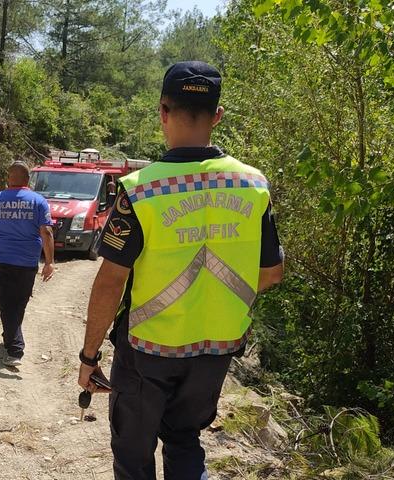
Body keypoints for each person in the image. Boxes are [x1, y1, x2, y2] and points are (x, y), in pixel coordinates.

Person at [77, 61, 285, 480]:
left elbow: (110, 283)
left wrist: (89, 356)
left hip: (147, 350)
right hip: (215, 348)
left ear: (163, 112)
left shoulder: (141, 189)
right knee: (185, 441)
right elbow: (271, 273)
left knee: (134, 454)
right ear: (218, 116)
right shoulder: (252, 184)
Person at [0, 162, 56, 367]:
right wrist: (49, 262)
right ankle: (10, 336)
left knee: (5, 302)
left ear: (9, 178)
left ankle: (15, 348)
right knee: (18, 302)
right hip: (28, 262)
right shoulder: (39, 201)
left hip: (3, 260)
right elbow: (47, 232)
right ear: (28, 180)